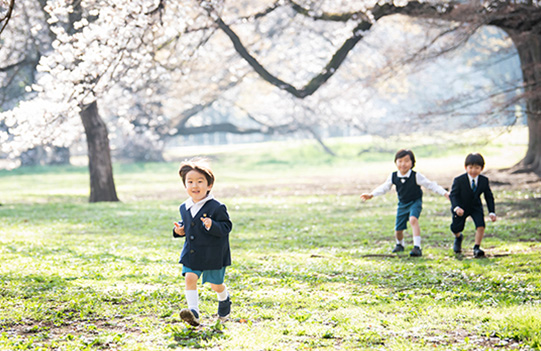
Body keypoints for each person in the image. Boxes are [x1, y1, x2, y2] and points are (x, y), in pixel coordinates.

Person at [173, 158, 232, 326]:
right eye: (190, 182)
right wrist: (179, 230)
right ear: (185, 185)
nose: (195, 186)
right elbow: (187, 225)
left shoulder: (217, 207)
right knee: (190, 278)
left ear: (209, 185)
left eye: (200, 181)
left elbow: (226, 226)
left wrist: (212, 225)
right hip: (192, 252)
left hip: (213, 253)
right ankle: (193, 312)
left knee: (216, 285)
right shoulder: (184, 207)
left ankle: (224, 298)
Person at [360, 149, 450, 257]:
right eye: (400, 161)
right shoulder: (393, 176)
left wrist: (445, 193)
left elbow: (430, 185)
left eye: (407, 161)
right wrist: (372, 194)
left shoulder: (416, 176)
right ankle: (400, 244)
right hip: (402, 204)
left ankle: (417, 247)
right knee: (398, 230)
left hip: (415, 202)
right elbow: (384, 187)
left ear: (412, 163)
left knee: (413, 219)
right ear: (396, 162)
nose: (403, 164)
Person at [450, 153, 496, 258]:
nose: (473, 171)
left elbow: (488, 196)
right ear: (466, 167)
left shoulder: (484, 180)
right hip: (461, 207)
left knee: (481, 225)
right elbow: (453, 195)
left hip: (476, 207)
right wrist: (456, 207)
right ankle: (458, 237)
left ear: (482, 168)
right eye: (470, 167)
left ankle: (476, 247)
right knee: (456, 228)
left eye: (477, 168)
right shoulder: (459, 180)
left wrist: (491, 212)